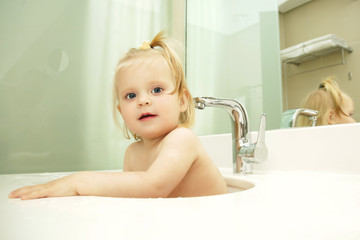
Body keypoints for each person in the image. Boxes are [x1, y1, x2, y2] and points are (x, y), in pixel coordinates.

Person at [8, 32, 228, 200]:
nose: (143, 101)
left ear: (182, 101)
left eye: (157, 90)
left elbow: (153, 186)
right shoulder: (133, 153)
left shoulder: (182, 139)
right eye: (131, 95)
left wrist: (77, 183)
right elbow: (132, 200)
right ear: (121, 111)